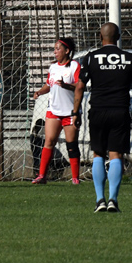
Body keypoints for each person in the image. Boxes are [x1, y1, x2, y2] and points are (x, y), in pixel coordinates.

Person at [73, 23, 132, 213]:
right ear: (118, 37)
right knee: (116, 155)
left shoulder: (91, 57)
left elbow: (79, 86)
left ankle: (100, 200)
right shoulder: (129, 58)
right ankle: (113, 199)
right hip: (120, 111)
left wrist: (75, 112)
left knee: (98, 153)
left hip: (98, 111)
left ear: (100, 36)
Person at [31, 38, 81, 185]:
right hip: (53, 110)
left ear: (67, 51)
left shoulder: (74, 66)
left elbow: (79, 86)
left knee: (71, 144)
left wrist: (67, 86)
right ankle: (42, 176)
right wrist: (40, 92)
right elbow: (49, 85)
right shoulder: (53, 67)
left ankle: (75, 178)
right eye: (55, 49)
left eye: (58, 49)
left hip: (70, 111)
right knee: (49, 141)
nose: (55, 52)